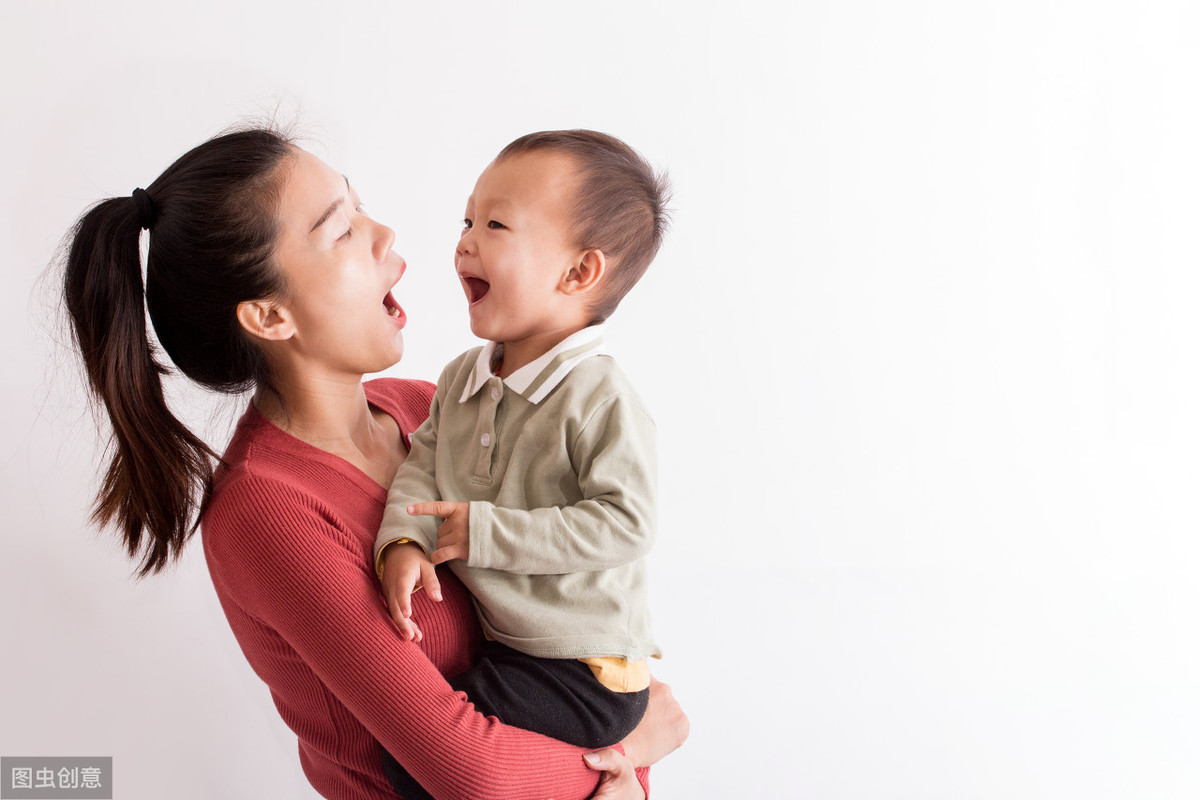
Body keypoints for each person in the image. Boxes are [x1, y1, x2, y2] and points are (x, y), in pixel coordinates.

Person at [60, 125, 687, 800]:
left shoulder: (433, 407)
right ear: (270, 316)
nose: (386, 234)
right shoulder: (267, 513)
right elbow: (475, 775)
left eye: (361, 208)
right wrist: (630, 755)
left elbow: (586, 613)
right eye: (342, 230)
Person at [372, 131, 668, 800]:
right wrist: (403, 539)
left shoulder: (598, 396)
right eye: (467, 220)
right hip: (515, 647)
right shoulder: (460, 380)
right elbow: (422, 466)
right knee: (415, 747)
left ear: (578, 273)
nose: (465, 242)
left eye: (496, 224)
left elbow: (627, 524)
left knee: (419, 762)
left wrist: (486, 533)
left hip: (583, 666)